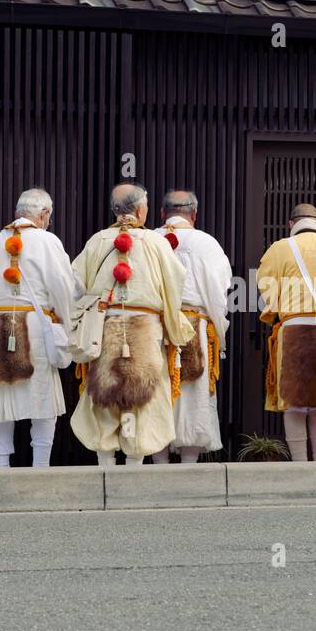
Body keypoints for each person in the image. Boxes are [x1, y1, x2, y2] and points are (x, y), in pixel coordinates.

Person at [70, 182, 195, 465]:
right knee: (142, 398)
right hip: (146, 328)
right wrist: (177, 328)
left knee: (104, 395)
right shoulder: (155, 242)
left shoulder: (97, 241)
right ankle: (134, 468)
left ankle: (105, 466)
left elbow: (75, 286)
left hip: (105, 326)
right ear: (141, 210)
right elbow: (175, 285)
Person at [0, 188, 76, 468]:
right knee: (43, 402)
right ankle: (40, 467)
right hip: (34, 328)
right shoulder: (47, 241)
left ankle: (1, 467)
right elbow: (63, 289)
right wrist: (71, 327)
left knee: (1, 404)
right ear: (44, 214)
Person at [257, 203, 316, 461]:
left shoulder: (279, 248)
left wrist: (276, 310)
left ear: (290, 224)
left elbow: (266, 287)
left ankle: (299, 464)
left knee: (294, 404)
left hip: (294, 328)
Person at [152, 190, 232, 463]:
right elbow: (218, 291)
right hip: (193, 324)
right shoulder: (206, 243)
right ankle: (188, 465)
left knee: (156, 393)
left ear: (162, 213)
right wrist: (219, 329)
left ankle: (159, 464)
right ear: (194, 214)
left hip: (154, 327)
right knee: (193, 395)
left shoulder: (150, 238)